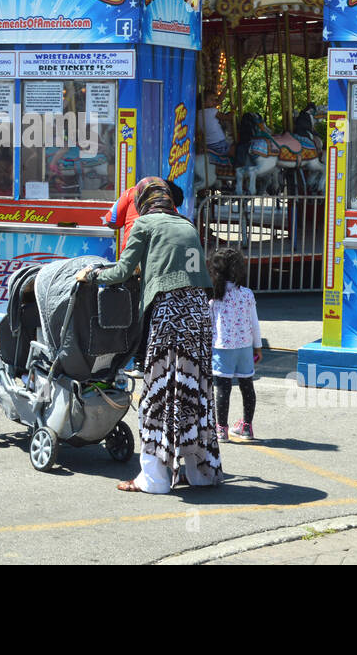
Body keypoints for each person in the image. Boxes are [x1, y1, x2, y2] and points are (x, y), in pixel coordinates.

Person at [78, 177, 221, 494]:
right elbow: (186, 267)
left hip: (169, 313)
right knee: (192, 390)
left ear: (143, 201)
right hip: (199, 312)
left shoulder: (144, 225)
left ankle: (155, 479)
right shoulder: (186, 225)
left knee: (159, 394)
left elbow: (122, 271)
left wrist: (92, 274)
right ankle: (201, 472)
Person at [208, 248, 263, 443]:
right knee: (247, 386)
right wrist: (258, 346)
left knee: (222, 389)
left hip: (222, 348)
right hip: (245, 347)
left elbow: (208, 324)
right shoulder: (247, 294)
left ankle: (221, 429)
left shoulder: (213, 297)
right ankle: (246, 426)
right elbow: (254, 323)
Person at [197, 90, 231, 158]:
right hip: (219, 143)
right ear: (203, 102)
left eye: (214, 100)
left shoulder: (198, 113)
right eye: (212, 100)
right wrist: (233, 111)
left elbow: (219, 101)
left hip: (208, 144)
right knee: (234, 149)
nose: (214, 102)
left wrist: (226, 87)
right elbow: (227, 118)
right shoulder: (212, 111)